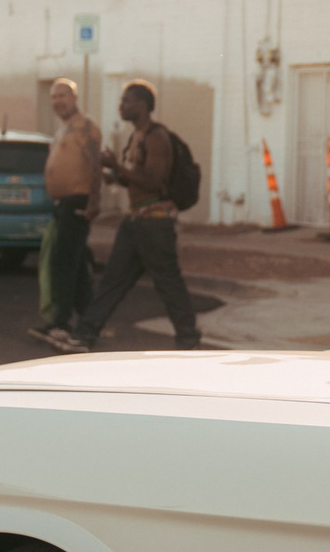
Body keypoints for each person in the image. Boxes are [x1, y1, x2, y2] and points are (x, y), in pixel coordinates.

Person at [48, 81, 202, 353]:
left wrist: (116, 166)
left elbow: (154, 181)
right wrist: (108, 175)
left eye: (126, 102)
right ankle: (84, 336)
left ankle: (188, 339)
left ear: (142, 106)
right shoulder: (136, 137)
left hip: (155, 223)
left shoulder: (156, 137)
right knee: (112, 281)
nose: (121, 106)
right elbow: (135, 181)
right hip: (136, 221)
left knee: (168, 283)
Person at [29, 79, 101, 346]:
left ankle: (60, 322)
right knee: (76, 263)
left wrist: (94, 201)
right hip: (62, 204)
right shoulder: (62, 130)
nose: (57, 101)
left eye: (63, 96)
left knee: (62, 262)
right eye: (53, 97)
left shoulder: (86, 127)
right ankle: (89, 319)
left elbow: (95, 166)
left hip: (78, 201)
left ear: (74, 98)